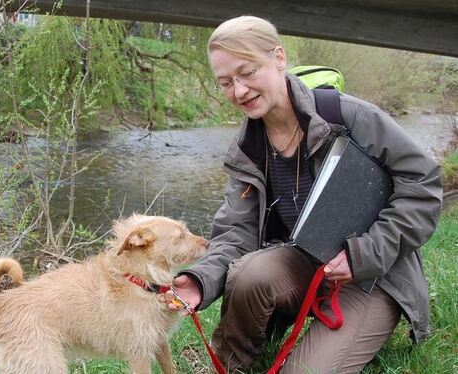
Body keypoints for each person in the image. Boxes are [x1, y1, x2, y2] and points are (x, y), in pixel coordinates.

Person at [158, 15, 443, 373]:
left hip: (373, 275)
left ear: (279, 58)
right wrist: (200, 281)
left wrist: (365, 254)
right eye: (226, 82)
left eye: (247, 73)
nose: (239, 91)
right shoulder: (249, 147)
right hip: (303, 264)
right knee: (249, 272)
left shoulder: (348, 116)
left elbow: (424, 185)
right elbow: (236, 233)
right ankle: (235, 365)